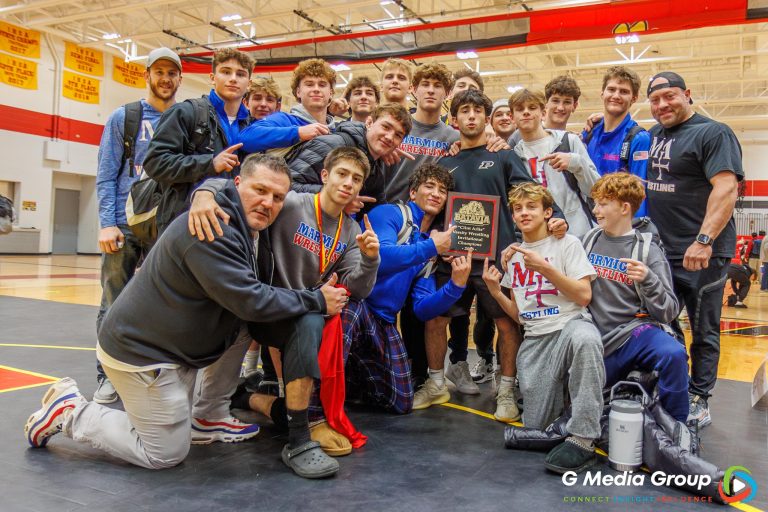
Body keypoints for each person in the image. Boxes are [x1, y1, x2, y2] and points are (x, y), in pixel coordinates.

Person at [25, 154, 349, 479]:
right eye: (259, 190)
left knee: (248, 325)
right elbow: (251, 300)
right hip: (143, 354)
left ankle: (208, 414)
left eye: (277, 197)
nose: (268, 202)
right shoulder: (212, 228)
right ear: (238, 186)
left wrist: (206, 189)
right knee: (165, 452)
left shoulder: (249, 221)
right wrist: (315, 299)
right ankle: (71, 411)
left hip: (175, 345)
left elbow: (223, 189)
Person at [190, 146, 380, 457]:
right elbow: (235, 189)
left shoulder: (350, 230)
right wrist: (203, 194)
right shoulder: (290, 203)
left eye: (356, 179)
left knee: (313, 321)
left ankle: (298, 429)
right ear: (324, 175)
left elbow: (358, 289)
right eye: (342, 174)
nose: (348, 183)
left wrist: (371, 259)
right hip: (256, 303)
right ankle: (269, 409)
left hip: (292, 312)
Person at [414, 89, 567, 422]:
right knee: (436, 319)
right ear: (453, 121)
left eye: (477, 111)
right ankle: (437, 382)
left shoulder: (505, 155)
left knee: (506, 322)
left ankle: (507, 390)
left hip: (496, 259)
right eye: (464, 111)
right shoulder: (445, 161)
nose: (471, 116)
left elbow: (530, 196)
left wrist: (552, 220)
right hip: (453, 257)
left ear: (487, 118)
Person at [483, 182, 604, 474]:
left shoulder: (567, 242)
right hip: (536, 340)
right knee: (536, 426)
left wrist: (546, 268)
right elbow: (520, 315)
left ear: (547, 212)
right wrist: (496, 292)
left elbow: (584, 296)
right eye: (518, 209)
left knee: (587, 339)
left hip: (568, 327)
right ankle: (568, 409)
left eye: (531, 207)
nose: (524, 213)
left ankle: (584, 439)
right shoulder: (512, 255)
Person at [646, 71, 744, 428]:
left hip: (701, 253)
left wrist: (704, 240)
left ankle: (699, 397)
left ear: (687, 94)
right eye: (655, 100)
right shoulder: (654, 135)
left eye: (669, 96)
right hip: (661, 253)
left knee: (704, 329)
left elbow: (726, 189)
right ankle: (671, 389)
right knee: (663, 327)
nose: (662, 105)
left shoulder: (713, 133)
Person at [93, 47, 183, 404]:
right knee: (113, 302)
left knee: (166, 303)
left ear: (179, 77)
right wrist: (106, 224)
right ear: (147, 75)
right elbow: (105, 175)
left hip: (166, 225)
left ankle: (151, 372)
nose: (165, 79)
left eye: (172, 73)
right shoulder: (125, 117)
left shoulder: (185, 117)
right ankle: (106, 376)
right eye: (158, 71)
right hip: (125, 225)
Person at [585, 173, 688, 422]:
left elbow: (669, 311)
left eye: (603, 204)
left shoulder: (647, 250)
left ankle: (676, 428)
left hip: (632, 334)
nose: (596, 210)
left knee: (673, 354)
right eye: (595, 203)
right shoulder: (588, 240)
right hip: (593, 338)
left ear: (624, 207)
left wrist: (648, 279)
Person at [143, 48, 253, 234]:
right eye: (226, 72)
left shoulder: (252, 126)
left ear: (249, 83)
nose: (233, 78)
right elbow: (155, 162)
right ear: (212, 77)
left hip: (232, 224)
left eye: (240, 74)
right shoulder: (186, 113)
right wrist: (209, 163)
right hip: (184, 225)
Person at [289, 103, 412, 214]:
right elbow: (287, 185)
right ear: (369, 123)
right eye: (386, 127)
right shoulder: (333, 145)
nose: (390, 137)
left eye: (398, 135)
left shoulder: (375, 171)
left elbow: (378, 213)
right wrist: (338, 199)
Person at [509, 88, 600, 238]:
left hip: (577, 234)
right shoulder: (514, 155)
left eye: (532, 108)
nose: (526, 112)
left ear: (543, 113)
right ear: (512, 117)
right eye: (520, 109)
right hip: (540, 238)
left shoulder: (568, 141)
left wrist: (575, 163)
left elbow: (596, 190)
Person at [583, 66, 651, 216]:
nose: (616, 95)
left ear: (634, 98)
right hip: (587, 221)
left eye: (624, 91)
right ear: (602, 93)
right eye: (611, 89)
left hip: (619, 223)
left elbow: (639, 194)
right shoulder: (589, 133)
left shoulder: (639, 139)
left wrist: (636, 233)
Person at [385, 63, 458, 203]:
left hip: (428, 217)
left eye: (437, 86)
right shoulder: (395, 127)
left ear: (448, 94)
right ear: (414, 89)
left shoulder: (454, 138)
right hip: (388, 210)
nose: (431, 90)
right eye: (425, 84)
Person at [238, 58, 338, 155]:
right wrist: (297, 133)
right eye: (309, 84)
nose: (316, 89)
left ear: (331, 93)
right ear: (298, 92)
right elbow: (245, 138)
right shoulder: (284, 120)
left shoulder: (337, 131)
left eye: (322, 85)